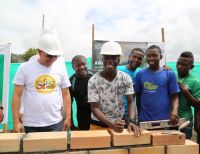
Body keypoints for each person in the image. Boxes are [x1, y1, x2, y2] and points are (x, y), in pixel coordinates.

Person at [12, 26, 71, 133]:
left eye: (55, 56)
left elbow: (66, 94)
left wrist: (68, 117)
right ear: (39, 51)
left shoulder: (60, 67)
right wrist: (16, 122)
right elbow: (17, 95)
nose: (52, 59)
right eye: (49, 55)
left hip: (55, 122)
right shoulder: (25, 68)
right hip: (31, 123)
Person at [88, 41, 141, 136]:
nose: (110, 60)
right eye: (106, 57)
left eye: (113, 57)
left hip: (119, 125)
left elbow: (130, 101)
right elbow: (95, 108)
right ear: (102, 59)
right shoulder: (93, 80)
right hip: (97, 125)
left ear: (119, 60)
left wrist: (132, 121)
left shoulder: (125, 78)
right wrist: (111, 124)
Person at [135, 45, 180, 126]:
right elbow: (138, 96)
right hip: (144, 121)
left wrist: (174, 111)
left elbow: (175, 96)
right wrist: (140, 116)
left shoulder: (169, 74)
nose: (151, 58)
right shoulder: (140, 74)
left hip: (164, 121)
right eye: (149, 56)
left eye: (155, 55)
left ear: (161, 57)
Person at [176, 51, 200, 140]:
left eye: (184, 65)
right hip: (169, 119)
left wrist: (186, 93)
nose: (179, 67)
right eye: (178, 63)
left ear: (191, 67)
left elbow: (198, 105)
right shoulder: (172, 76)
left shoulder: (195, 82)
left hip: (185, 120)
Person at [118, 48, 145, 122]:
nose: (136, 60)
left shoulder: (141, 72)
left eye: (139, 58)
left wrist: (166, 69)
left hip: (132, 113)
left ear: (142, 61)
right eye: (134, 57)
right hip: (116, 112)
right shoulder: (118, 69)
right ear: (129, 57)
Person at [69, 55, 93, 130]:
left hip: (97, 114)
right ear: (73, 67)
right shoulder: (71, 81)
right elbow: (69, 104)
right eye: (78, 65)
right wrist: (72, 124)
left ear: (87, 64)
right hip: (82, 115)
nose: (82, 67)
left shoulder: (95, 77)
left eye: (83, 64)